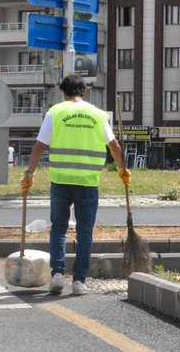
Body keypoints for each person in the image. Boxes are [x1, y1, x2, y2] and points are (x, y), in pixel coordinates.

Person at [21, 74, 130, 296]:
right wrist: (122, 170)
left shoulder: (56, 112)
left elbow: (38, 146)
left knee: (59, 229)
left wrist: (29, 174)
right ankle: (79, 281)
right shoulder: (98, 115)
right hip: (88, 183)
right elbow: (115, 146)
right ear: (84, 91)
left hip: (60, 181)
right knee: (85, 232)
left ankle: (58, 275)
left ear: (63, 92)